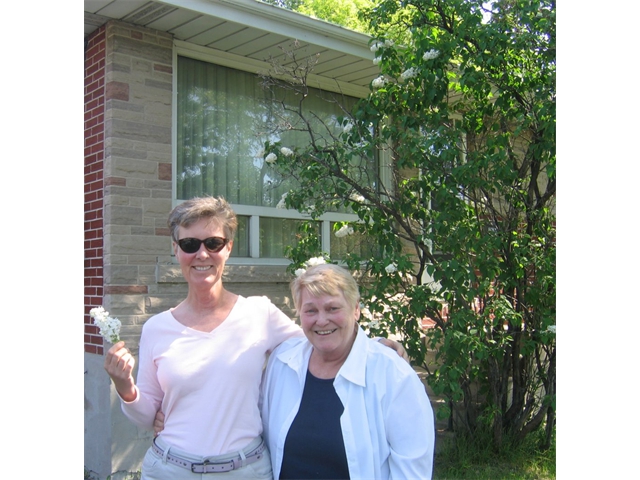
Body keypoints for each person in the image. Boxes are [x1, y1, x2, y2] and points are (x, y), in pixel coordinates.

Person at [104, 196, 407, 479]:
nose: (202, 253)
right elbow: (147, 418)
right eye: (189, 243)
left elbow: (319, 337)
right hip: (171, 469)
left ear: (228, 248)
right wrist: (125, 386)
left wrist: (372, 344)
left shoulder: (259, 313)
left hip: (245, 470)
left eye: (213, 242)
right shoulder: (157, 328)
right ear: (176, 249)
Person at [260, 263, 435, 479]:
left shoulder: (392, 375)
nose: (321, 320)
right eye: (310, 310)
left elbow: (412, 470)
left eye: (333, 308)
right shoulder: (282, 363)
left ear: (356, 309)